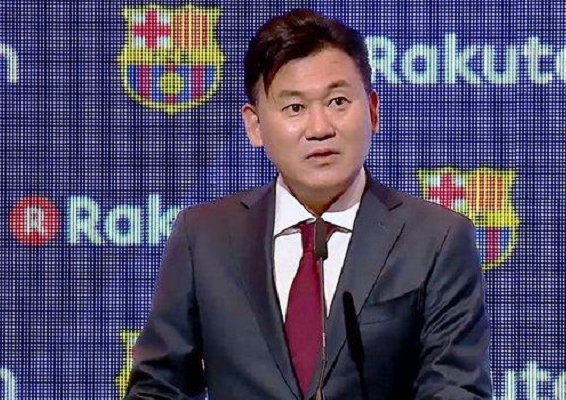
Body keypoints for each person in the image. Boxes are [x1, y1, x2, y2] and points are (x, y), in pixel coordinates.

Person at [125, 8, 491, 400]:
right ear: (255, 125)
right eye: (295, 108)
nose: (320, 128)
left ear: (372, 110)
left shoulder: (435, 239)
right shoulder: (204, 236)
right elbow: (158, 387)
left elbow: (456, 389)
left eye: (338, 101)